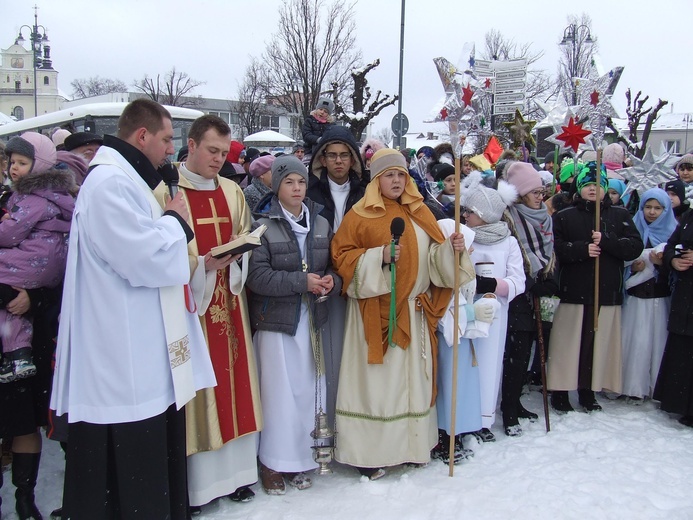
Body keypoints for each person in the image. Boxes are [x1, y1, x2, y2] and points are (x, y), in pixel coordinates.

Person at [50, 98, 216, 519]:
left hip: (139, 354)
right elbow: (142, 258)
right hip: (120, 361)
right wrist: (175, 222)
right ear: (141, 136)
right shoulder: (109, 184)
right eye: (164, 140)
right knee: (127, 478)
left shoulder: (127, 180)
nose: (168, 150)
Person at [331, 148, 471, 479]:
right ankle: (370, 453)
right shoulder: (359, 215)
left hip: (414, 310)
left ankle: (412, 446)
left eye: (401, 175)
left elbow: (436, 262)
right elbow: (342, 258)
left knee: (413, 385)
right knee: (378, 388)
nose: (396, 181)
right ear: (376, 179)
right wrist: (378, 255)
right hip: (375, 311)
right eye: (388, 175)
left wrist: (452, 251)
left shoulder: (421, 211)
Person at [154, 114, 263, 510]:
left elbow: (245, 233)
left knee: (236, 383)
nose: (219, 159)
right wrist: (202, 265)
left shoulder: (233, 191)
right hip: (192, 309)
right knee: (201, 390)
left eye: (223, 152)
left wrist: (238, 253)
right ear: (192, 145)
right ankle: (200, 488)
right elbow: (160, 251)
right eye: (212, 151)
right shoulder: (168, 193)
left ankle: (237, 476)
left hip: (231, 301)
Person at [246, 155, 341, 494]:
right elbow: (256, 277)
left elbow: (334, 266)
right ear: (276, 185)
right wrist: (302, 282)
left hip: (311, 318)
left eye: (301, 182)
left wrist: (331, 281)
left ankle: (300, 458)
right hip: (276, 321)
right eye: (289, 182)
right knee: (277, 395)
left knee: (306, 391)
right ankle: (273, 461)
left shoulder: (320, 222)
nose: (297, 188)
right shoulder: (262, 224)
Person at [547, 163, 643, 413]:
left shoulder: (620, 216)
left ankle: (588, 391)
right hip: (574, 290)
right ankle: (560, 391)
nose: (592, 189)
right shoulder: (565, 216)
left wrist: (608, 241)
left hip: (606, 291)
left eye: (597, 185)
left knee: (596, 345)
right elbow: (556, 248)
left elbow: (634, 247)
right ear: (579, 188)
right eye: (588, 184)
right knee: (568, 344)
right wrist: (581, 249)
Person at [0, 133, 76, 384]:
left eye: (21, 163)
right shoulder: (52, 194)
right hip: (46, 267)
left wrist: (31, 298)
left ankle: (17, 353)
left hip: (33, 266)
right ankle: (18, 353)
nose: (13, 169)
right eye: (12, 162)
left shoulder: (31, 197)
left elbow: (10, 234)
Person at [307, 125, 366, 425]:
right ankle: (328, 418)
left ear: (354, 159)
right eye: (332, 155)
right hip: (323, 280)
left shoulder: (366, 190)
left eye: (345, 155)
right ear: (322, 159)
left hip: (359, 276)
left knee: (356, 354)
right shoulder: (308, 191)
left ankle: (353, 420)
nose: (339, 161)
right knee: (329, 356)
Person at [460, 172, 525, 441]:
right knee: (466, 366)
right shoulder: (463, 237)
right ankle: (465, 417)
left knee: (489, 365)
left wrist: (494, 285)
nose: (464, 216)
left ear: (485, 213)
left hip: (495, 313)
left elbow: (517, 279)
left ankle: (484, 417)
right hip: (465, 310)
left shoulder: (508, 241)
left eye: (469, 211)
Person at [502, 162, 556, 437]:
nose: (540, 196)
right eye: (534, 191)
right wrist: (528, 280)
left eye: (541, 190)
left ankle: (517, 401)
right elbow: (508, 255)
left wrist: (548, 278)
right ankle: (508, 409)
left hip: (541, 290)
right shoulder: (509, 218)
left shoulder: (545, 217)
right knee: (516, 353)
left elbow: (550, 251)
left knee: (530, 350)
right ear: (521, 193)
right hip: (518, 295)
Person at [621, 188, 677, 400]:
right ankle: (632, 385)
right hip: (635, 298)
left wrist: (662, 265)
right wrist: (632, 268)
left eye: (658, 208)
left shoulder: (674, 232)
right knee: (635, 342)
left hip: (660, 299)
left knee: (656, 342)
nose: (652, 212)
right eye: (648, 207)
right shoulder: (633, 230)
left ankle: (656, 386)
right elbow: (621, 260)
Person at [653, 201, 693, 427]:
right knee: (682, 350)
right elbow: (671, 245)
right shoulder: (688, 217)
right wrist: (673, 260)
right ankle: (678, 401)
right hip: (685, 292)